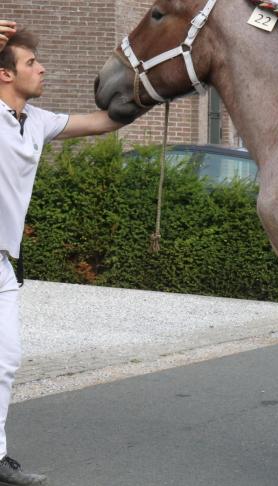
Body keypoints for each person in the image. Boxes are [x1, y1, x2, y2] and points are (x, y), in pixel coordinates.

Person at [0, 20, 127, 485]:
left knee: (6, 359)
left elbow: (101, 122)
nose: (43, 68)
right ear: (5, 75)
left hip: (2, 264)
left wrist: (151, 93)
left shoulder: (37, 121)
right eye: (31, 63)